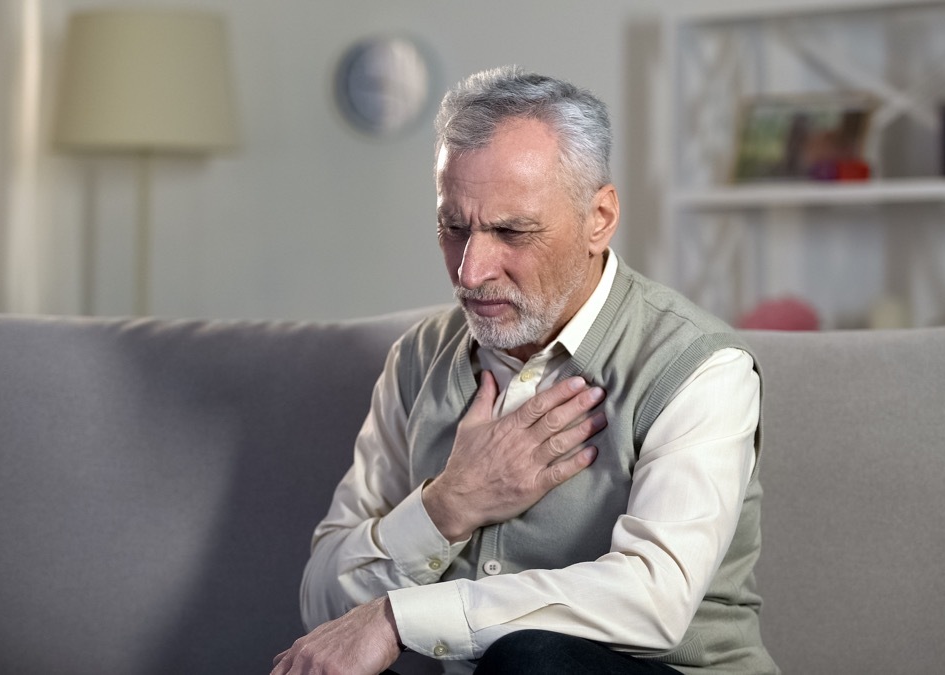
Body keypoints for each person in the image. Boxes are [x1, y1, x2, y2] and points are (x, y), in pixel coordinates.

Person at [271, 66, 777, 675]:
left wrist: (398, 617)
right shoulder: (415, 361)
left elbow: (653, 600)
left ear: (599, 218)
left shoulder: (700, 368)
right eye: (452, 228)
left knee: (531, 661)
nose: (470, 270)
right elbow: (322, 600)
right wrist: (448, 506)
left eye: (511, 231)